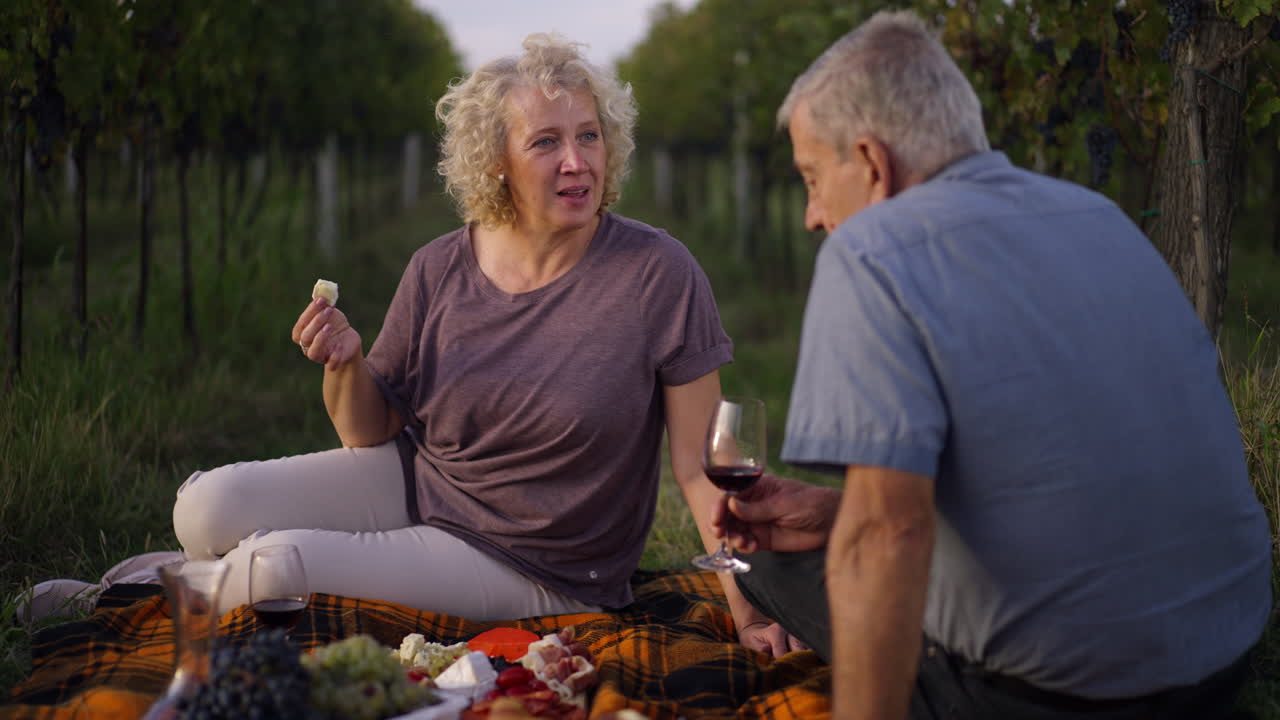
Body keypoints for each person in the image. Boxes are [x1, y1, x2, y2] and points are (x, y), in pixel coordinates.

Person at [24, 35, 775, 641]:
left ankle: (114, 597)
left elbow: (701, 467)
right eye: (546, 142)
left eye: (589, 136)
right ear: (498, 163)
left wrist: (751, 606)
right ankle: (192, 568)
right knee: (206, 508)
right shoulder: (441, 266)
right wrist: (345, 365)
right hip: (422, 485)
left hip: (536, 565)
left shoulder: (657, 273)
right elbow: (369, 427)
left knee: (275, 565)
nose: (576, 161)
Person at [711, 10, 1273, 720]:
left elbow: (889, 535)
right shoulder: (1100, 217)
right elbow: (1058, 470)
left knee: (759, 559)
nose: (811, 215)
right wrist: (832, 512)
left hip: (1050, 700)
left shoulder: (871, 251)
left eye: (814, 177)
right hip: (1222, 665)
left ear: (873, 164)